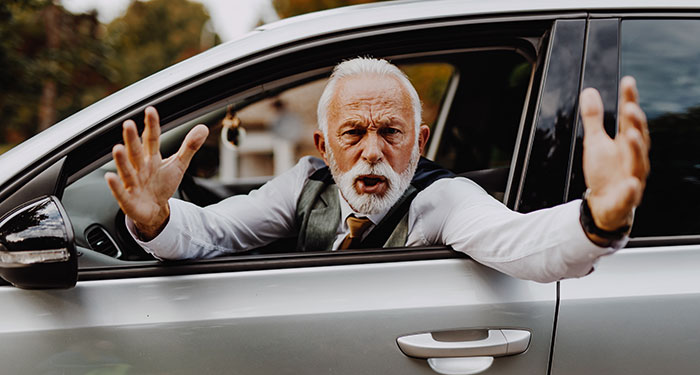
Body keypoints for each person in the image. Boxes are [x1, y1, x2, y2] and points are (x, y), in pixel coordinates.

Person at [105, 57, 650, 283]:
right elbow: (213, 232)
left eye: (390, 132)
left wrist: (598, 218)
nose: (372, 151)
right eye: (353, 133)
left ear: (418, 143)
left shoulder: (442, 199)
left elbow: (525, 245)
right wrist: (157, 220)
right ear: (324, 144)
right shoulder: (304, 183)